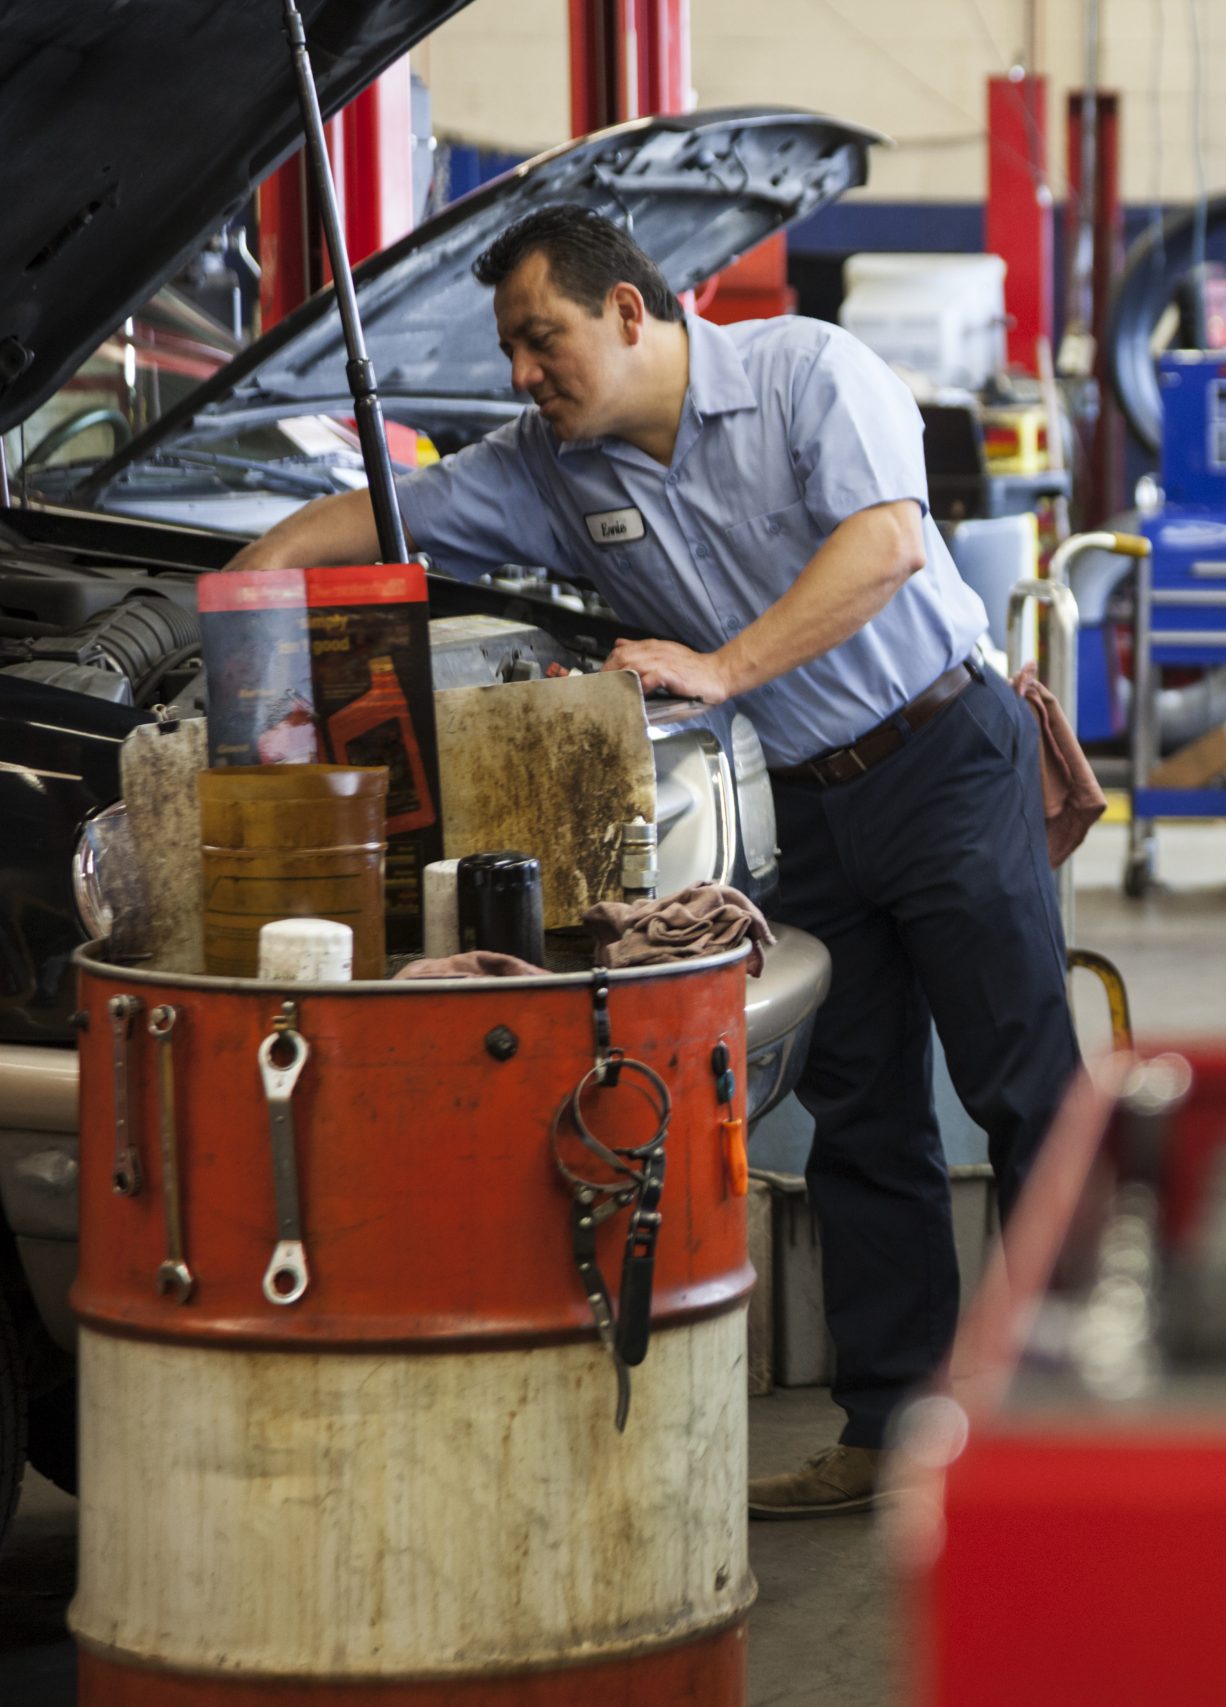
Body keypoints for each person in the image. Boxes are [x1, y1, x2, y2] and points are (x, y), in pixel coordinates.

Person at [227, 205, 1078, 1516]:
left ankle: (1068, 1424)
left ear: (629, 312)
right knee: (861, 1115)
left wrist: (722, 667)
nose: (522, 372)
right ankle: (891, 1424)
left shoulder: (810, 371)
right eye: (510, 348)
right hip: (817, 800)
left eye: (539, 337)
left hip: (944, 752)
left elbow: (889, 542)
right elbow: (393, 514)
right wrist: (265, 568)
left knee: (1025, 1088)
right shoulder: (549, 467)